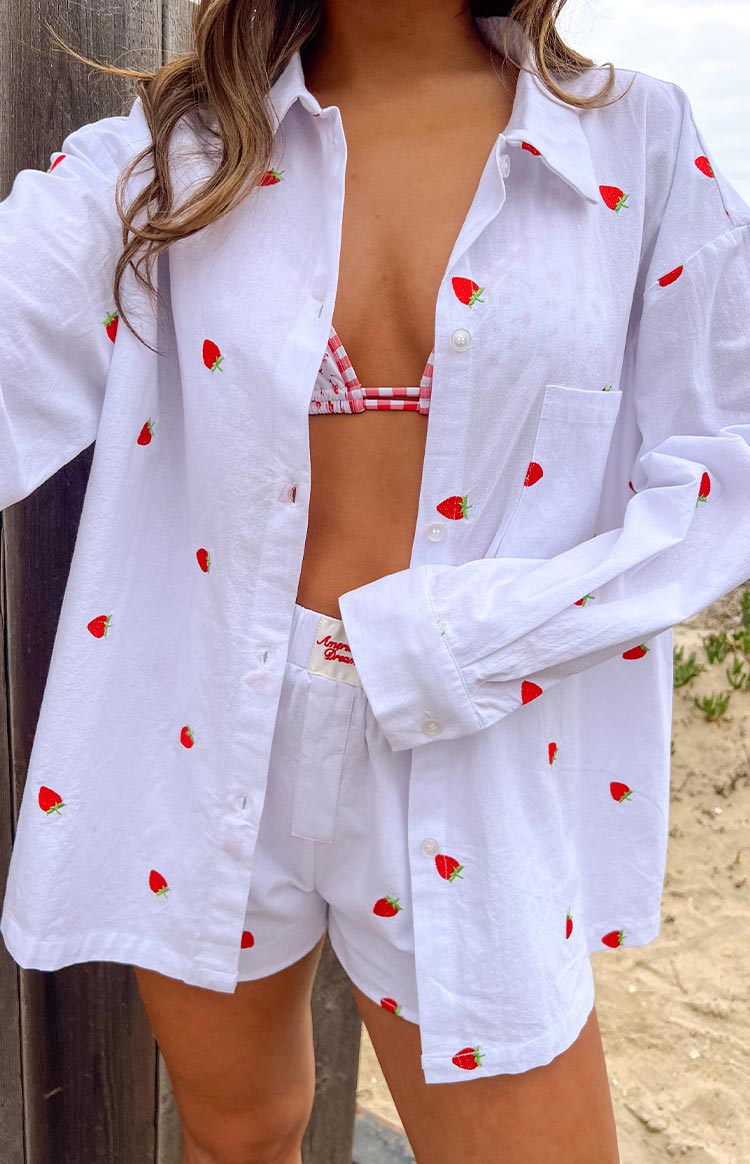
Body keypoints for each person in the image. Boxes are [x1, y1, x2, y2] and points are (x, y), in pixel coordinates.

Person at [1, 1, 749, 1161]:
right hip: (208, 729)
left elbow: (724, 469)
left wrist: (468, 643)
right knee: (238, 1132)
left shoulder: (635, 145)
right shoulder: (172, 157)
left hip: (474, 739)